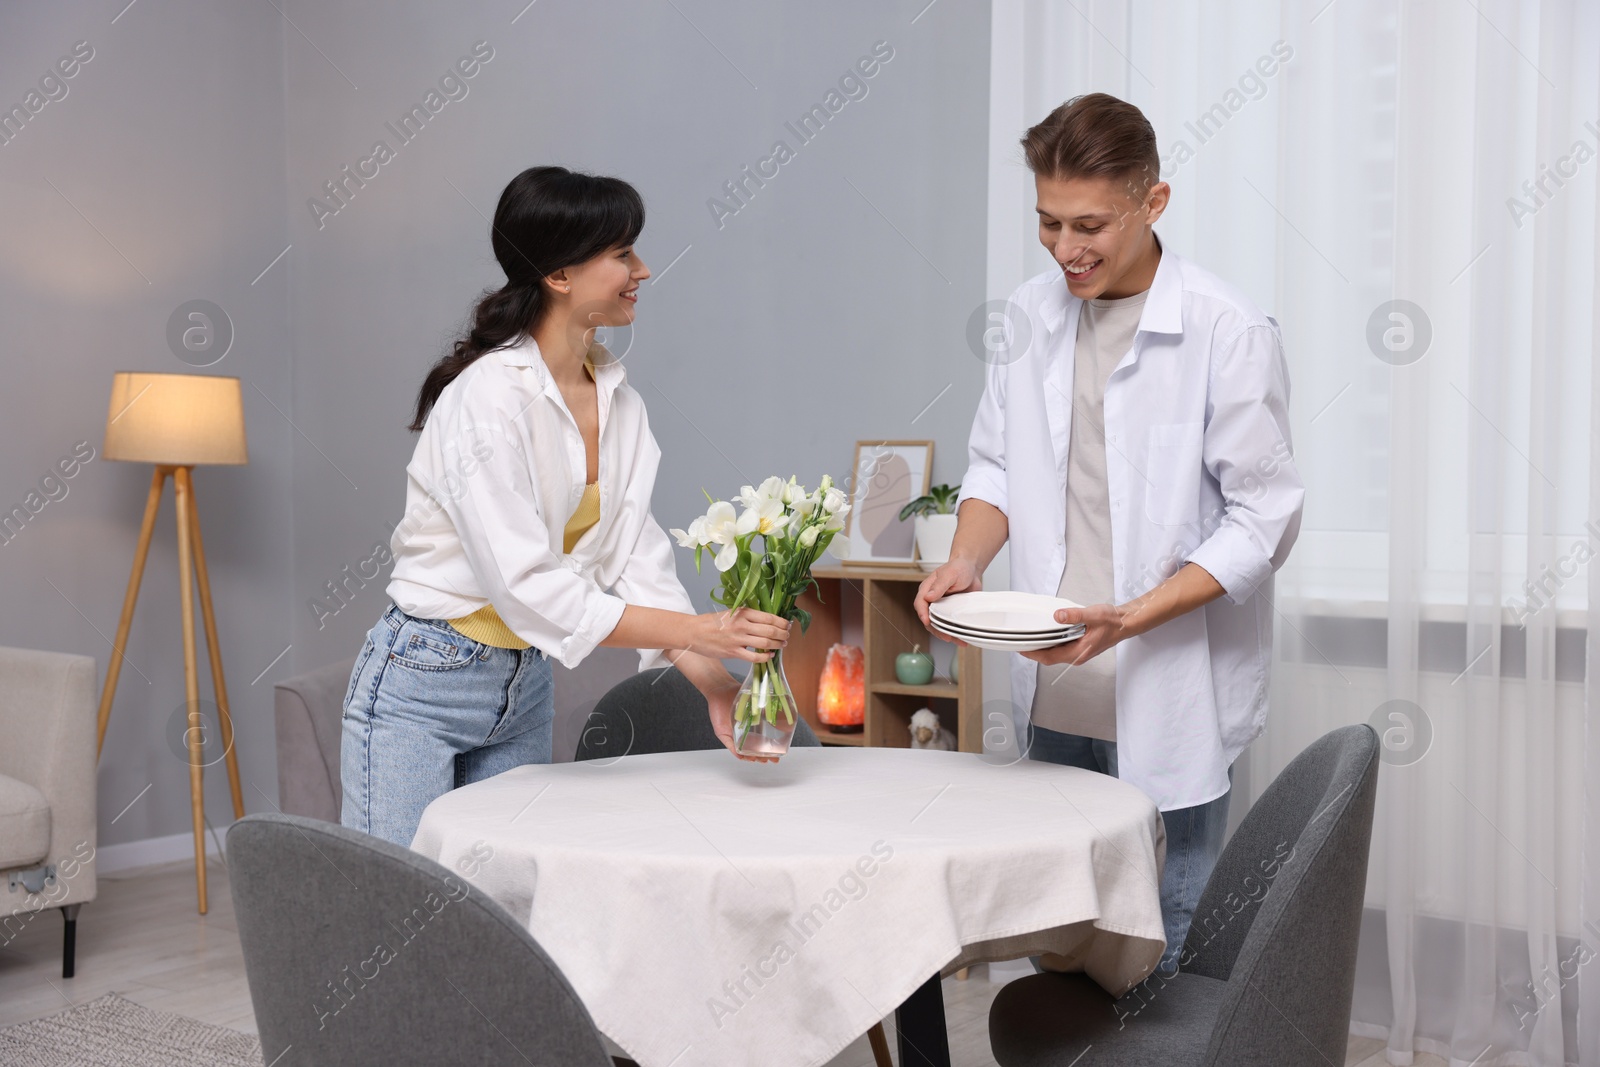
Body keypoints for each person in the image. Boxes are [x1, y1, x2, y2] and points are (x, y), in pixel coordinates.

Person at [915, 94, 1304, 976]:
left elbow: (1265, 517)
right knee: (1061, 939)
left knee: (1167, 942)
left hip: (1169, 686)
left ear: (1152, 202)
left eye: (1089, 224)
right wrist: (965, 560)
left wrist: (1129, 618)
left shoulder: (1225, 329)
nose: (1065, 249)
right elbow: (994, 467)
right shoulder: (1031, 313)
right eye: (1048, 223)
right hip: (1057, 683)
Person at [341, 165, 791, 847]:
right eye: (622, 253)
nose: (643, 268)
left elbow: (638, 564)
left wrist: (715, 685)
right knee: (398, 907)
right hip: (423, 680)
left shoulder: (621, 402)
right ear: (559, 276)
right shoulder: (488, 398)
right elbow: (526, 586)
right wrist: (702, 630)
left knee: (503, 899)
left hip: (523, 683)